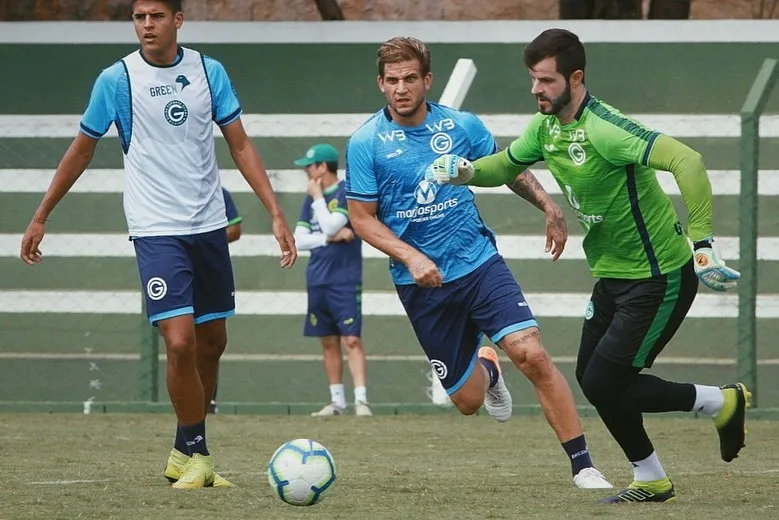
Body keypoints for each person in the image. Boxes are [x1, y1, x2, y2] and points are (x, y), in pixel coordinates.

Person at [427, 28, 749, 504]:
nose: (535, 89)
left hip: (659, 276)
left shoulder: (605, 128)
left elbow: (689, 161)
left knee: (604, 381)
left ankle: (721, 402)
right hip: (613, 277)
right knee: (592, 379)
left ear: (575, 78)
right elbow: (503, 167)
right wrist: (468, 172)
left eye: (545, 80)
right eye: (532, 79)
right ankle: (652, 477)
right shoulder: (546, 128)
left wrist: (702, 242)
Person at [19, 0, 297, 489]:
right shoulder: (116, 80)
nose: (147, 25)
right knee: (180, 340)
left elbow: (240, 144)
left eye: (156, 16)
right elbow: (81, 149)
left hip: (208, 225)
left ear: (178, 20)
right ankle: (200, 456)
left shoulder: (210, 72)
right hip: (155, 228)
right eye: (139, 17)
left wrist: (275, 211)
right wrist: (41, 216)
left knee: (213, 343)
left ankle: (182, 449)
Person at [345, 36, 612, 489]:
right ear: (380, 83)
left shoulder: (462, 126)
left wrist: (547, 204)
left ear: (427, 80)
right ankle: (488, 367)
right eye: (392, 81)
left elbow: (505, 168)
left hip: (479, 263)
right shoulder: (365, 143)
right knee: (468, 401)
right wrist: (410, 257)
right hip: (422, 284)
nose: (401, 88)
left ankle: (583, 464)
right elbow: (362, 219)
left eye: (410, 78)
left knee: (532, 355)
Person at [292, 144, 371, 417]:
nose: (306, 172)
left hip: (344, 279)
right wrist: (328, 239)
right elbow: (299, 240)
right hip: (317, 278)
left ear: (322, 167)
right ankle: (337, 401)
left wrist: (317, 201)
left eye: (309, 167)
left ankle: (361, 401)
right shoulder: (310, 199)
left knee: (351, 339)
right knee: (327, 340)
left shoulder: (344, 192)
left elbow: (331, 224)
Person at [208, 187, 243, 415]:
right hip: (176, 270)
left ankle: (209, 401)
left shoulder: (218, 192)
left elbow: (235, 229)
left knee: (210, 339)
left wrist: (205, 239)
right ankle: (184, 401)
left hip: (210, 269)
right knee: (180, 341)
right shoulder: (164, 187)